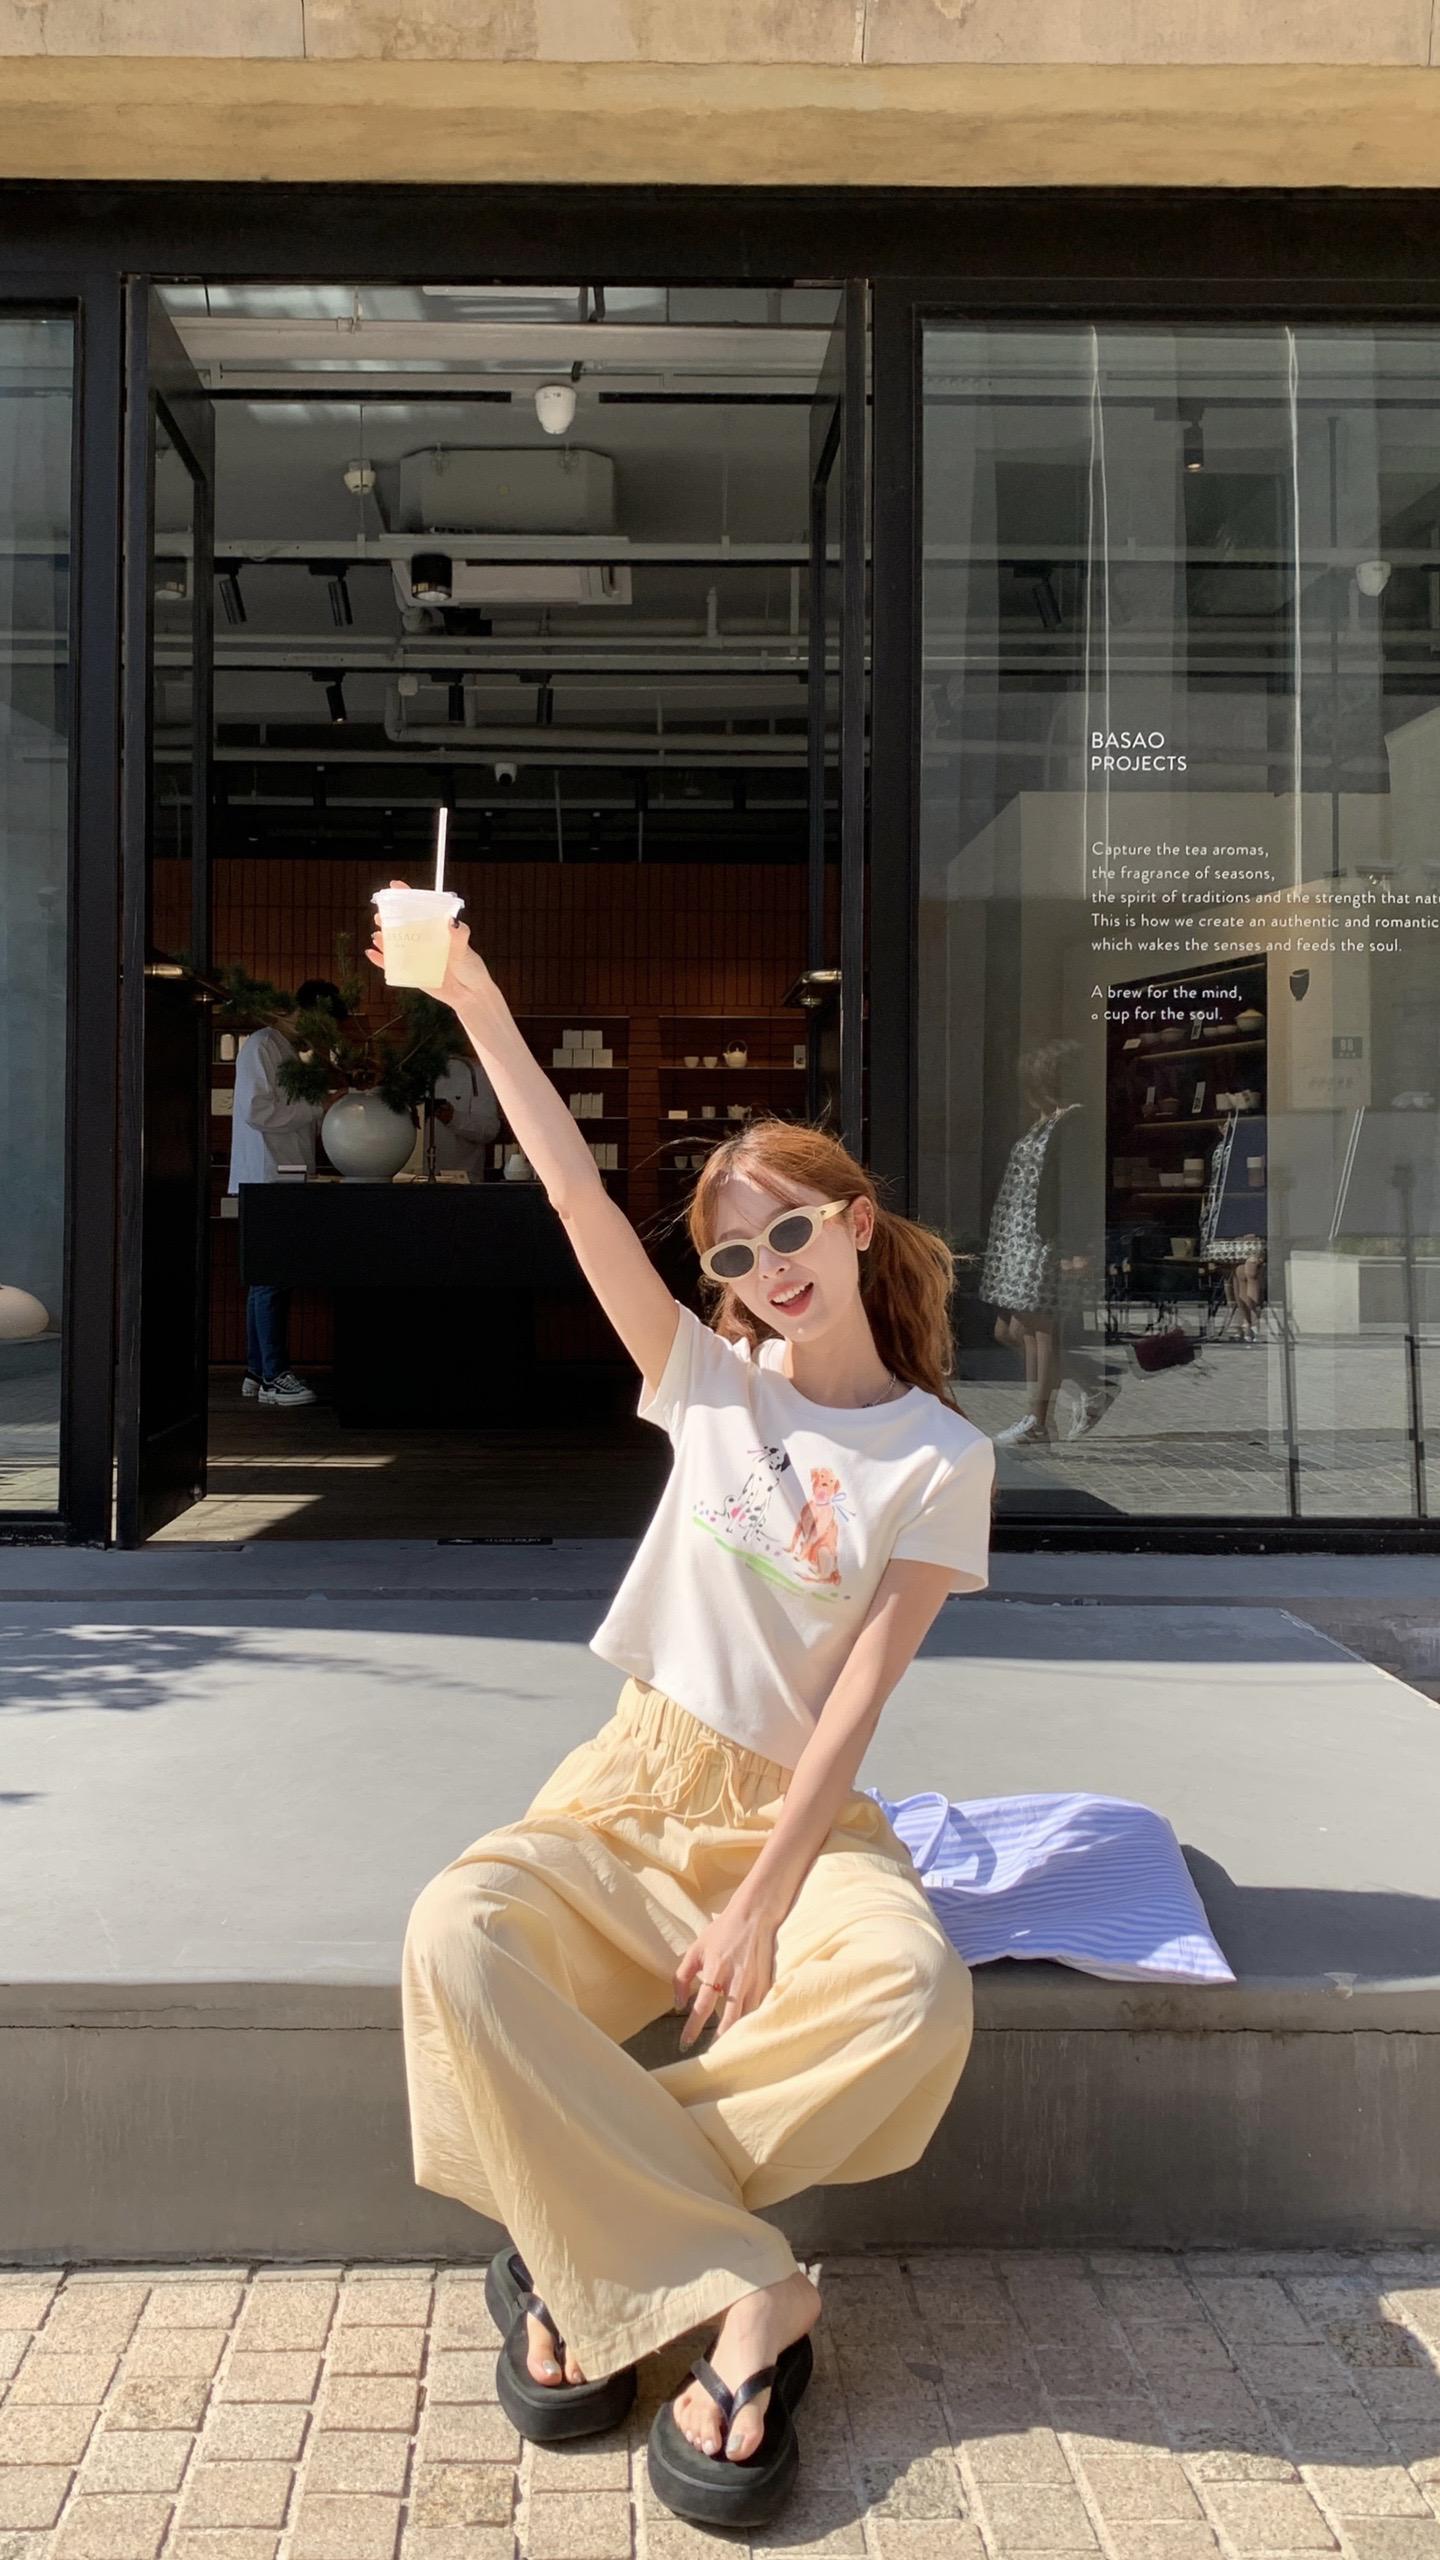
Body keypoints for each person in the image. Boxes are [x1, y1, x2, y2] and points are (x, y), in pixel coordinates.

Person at [371, 885, 994, 2533]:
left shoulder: (941, 1457)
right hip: (631, 1789)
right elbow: (575, 1192)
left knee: (913, 1995)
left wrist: (769, 1897)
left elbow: (856, 1705)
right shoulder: (703, 1382)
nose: (767, 1270)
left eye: (791, 1233)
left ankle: (576, 2240)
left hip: (796, 1813)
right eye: (734, 1252)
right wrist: (475, 997)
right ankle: (750, 2292)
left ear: (856, 1223)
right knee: (456, 1938)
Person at [980, 1037, 1119, 1447]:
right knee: (1007, 1330)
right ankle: (1093, 1386)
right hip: (1016, 1239)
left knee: (1037, 1329)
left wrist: (1074, 1248)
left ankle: (1038, 1421)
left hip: (1043, 1240)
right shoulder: (1046, 1121)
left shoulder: (1073, 1122)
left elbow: (1075, 1187)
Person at [229, 978, 347, 1408]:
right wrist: (320, 1106)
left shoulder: (287, 1050)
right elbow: (256, 1111)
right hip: (267, 1176)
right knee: (272, 1280)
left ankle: (258, 1369)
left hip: (281, 1176)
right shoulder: (263, 1045)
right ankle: (274, 1375)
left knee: (268, 1278)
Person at [426, 1050, 502, 1181]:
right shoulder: (406, 1072)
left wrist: (454, 1119)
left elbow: (489, 1129)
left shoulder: (474, 1073)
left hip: (460, 1181)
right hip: (407, 1179)